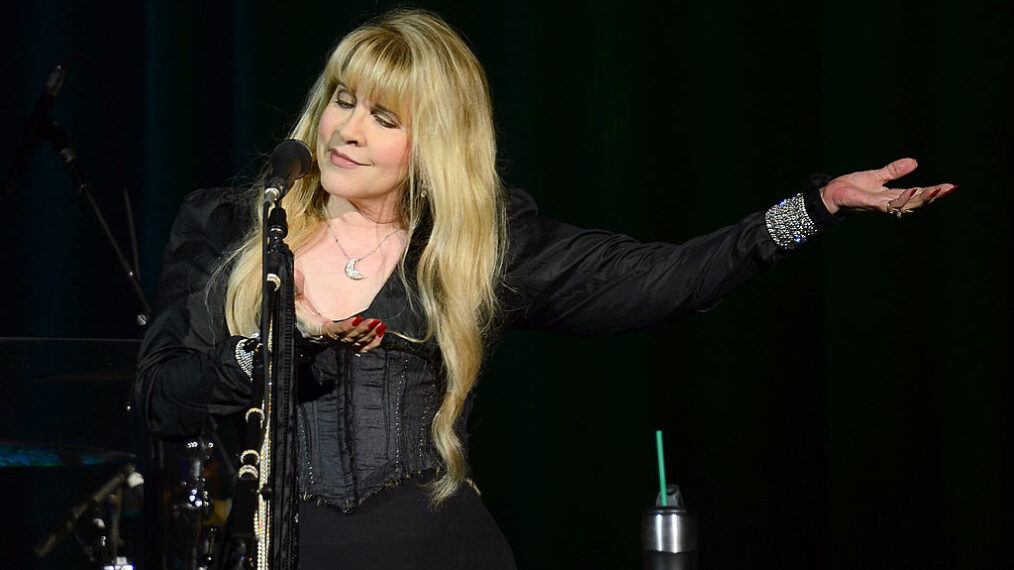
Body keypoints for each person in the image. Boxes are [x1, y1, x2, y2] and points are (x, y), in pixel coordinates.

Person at [133, 8, 955, 569]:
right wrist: (264, 348)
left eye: (386, 117)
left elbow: (668, 280)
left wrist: (814, 207)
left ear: (435, 141)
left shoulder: (480, 245)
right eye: (342, 101)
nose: (347, 129)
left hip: (439, 554)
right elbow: (157, 401)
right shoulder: (231, 228)